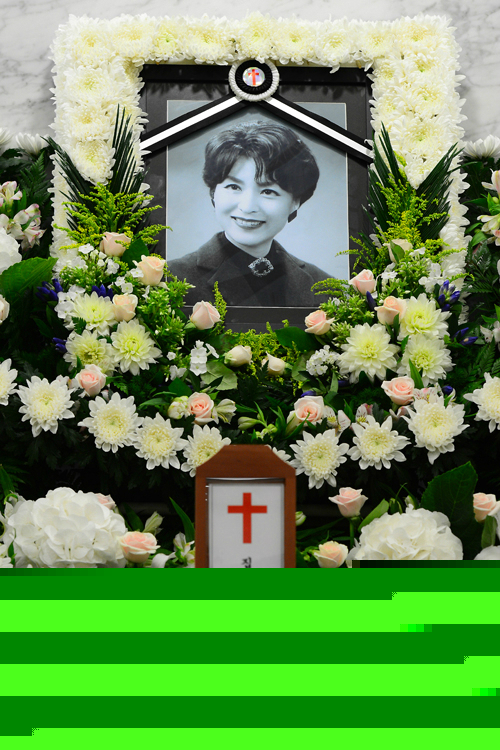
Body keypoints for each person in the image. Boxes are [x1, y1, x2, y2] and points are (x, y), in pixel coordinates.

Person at [167, 120, 333, 307]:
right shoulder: (170, 280)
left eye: (268, 191)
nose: (247, 207)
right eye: (233, 187)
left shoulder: (324, 287)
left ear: (295, 202)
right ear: (213, 192)